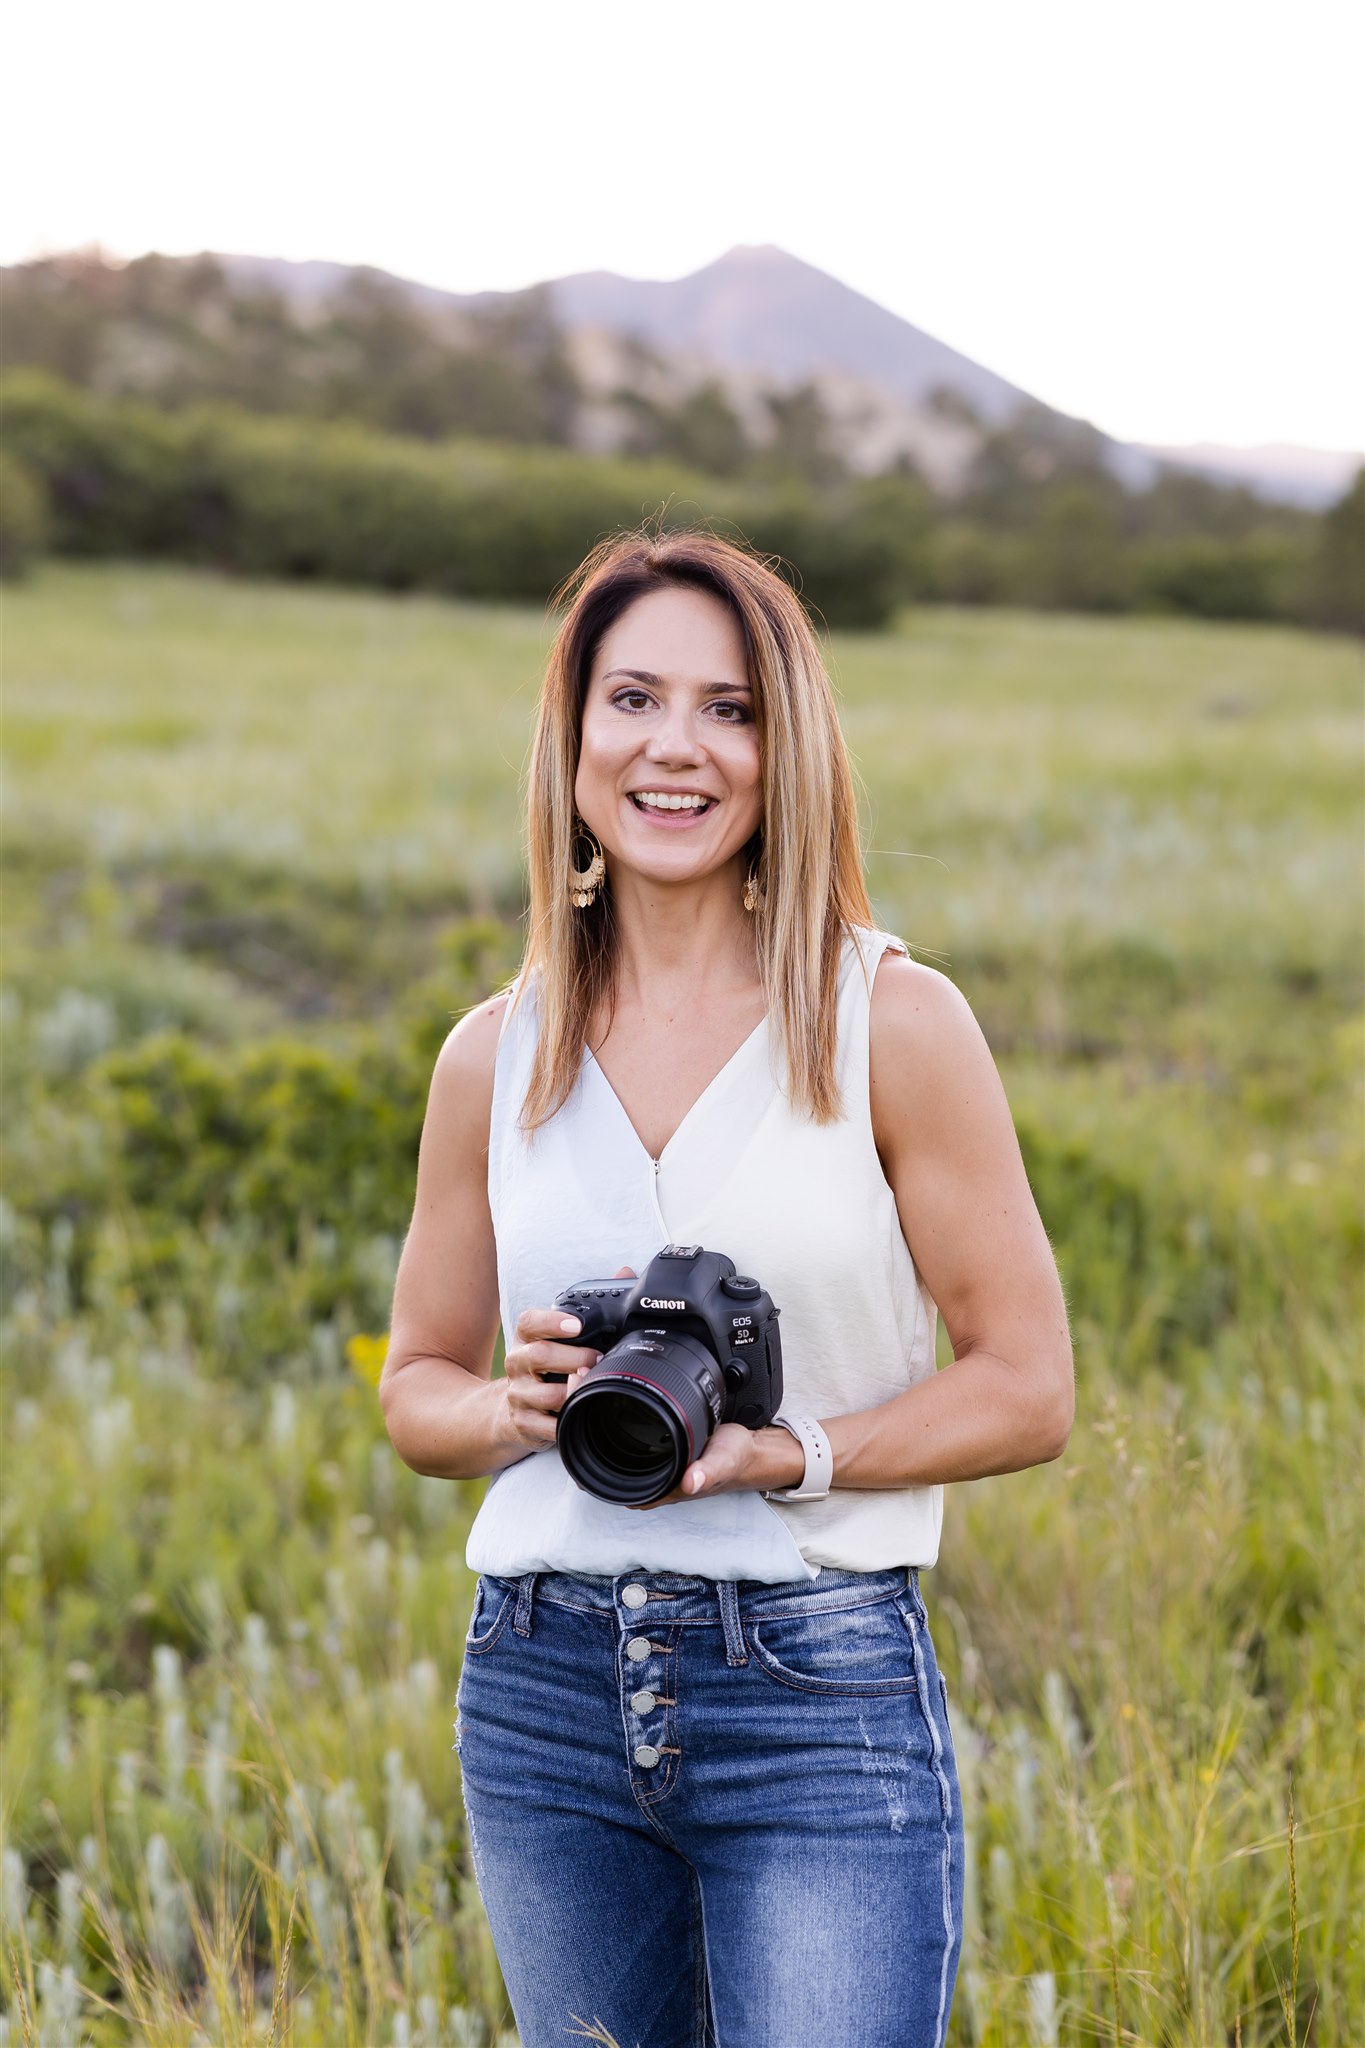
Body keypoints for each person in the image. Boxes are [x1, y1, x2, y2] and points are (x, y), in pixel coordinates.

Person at [379, 529, 1074, 2048]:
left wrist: (790, 1451)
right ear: (573, 737)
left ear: (786, 747)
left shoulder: (888, 1020)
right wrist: (511, 1407)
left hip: (812, 1686)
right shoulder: (492, 1055)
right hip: (539, 1679)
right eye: (630, 699)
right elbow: (412, 1392)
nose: (673, 748)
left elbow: (1026, 1385)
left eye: (729, 708)